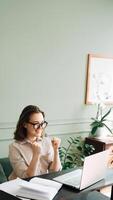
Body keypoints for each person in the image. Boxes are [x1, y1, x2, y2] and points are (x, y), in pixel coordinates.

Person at [9, 105, 62, 180]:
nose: (40, 128)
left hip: (41, 185)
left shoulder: (46, 141)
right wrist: (36, 155)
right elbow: (26, 178)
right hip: (19, 187)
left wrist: (56, 150)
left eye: (42, 123)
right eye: (36, 124)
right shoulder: (14, 147)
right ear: (24, 124)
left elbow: (55, 171)